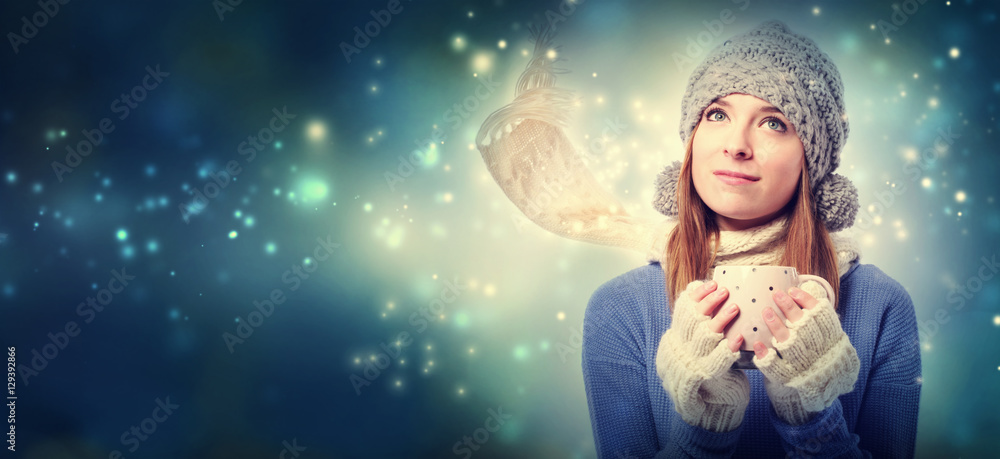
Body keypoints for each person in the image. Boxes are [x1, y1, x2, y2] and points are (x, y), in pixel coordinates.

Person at [474, 20, 920, 459]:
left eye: (775, 123)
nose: (737, 145)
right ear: (692, 141)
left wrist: (813, 417)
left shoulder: (880, 304)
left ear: (812, 161)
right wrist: (703, 430)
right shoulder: (620, 308)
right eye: (718, 114)